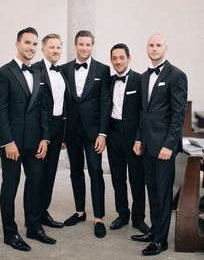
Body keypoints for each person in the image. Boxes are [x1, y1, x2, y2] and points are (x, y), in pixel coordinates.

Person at [0, 27, 56, 252]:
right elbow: (0, 112)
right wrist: (8, 142)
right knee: (10, 186)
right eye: (27, 43)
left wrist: (45, 139)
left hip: (35, 141)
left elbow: (44, 110)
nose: (32, 48)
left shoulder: (38, 74)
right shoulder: (2, 73)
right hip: (13, 143)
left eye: (35, 44)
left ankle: (34, 226)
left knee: (36, 184)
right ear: (17, 44)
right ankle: (10, 233)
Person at [131, 33, 188, 256]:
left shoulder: (176, 76)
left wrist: (169, 145)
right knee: (152, 191)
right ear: (147, 48)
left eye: (158, 45)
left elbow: (178, 115)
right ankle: (154, 230)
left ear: (166, 48)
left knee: (163, 194)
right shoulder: (144, 76)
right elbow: (142, 113)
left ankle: (160, 241)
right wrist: (138, 138)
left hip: (164, 147)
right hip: (146, 145)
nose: (154, 48)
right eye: (151, 45)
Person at [62, 30, 111, 238]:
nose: (84, 48)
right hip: (72, 132)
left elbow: (105, 103)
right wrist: (62, 134)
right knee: (75, 171)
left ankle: (98, 217)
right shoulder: (64, 69)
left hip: (93, 133)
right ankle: (80, 211)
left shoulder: (103, 69)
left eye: (88, 44)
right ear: (75, 45)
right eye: (81, 44)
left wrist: (102, 133)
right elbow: (62, 102)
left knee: (95, 171)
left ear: (92, 46)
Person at [24, 33, 70, 229]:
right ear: (43, 49)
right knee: (36, 177)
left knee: (50, 174)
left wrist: (63, 135)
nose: (56, 51)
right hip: (39, 130)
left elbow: (65, 104)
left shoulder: (62, 72)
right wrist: (43, 134)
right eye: (51, 47)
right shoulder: (34, 70)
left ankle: (43, 213)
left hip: (58, 127)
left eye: (58, 47)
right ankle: (31, 220)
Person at [107, 43, 149, 234]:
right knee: (117, 178)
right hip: (113, 134)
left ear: (129, 58)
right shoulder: (108, 81)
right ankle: (122, 214)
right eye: (114, 58)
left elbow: (143, 113)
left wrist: (139, 139)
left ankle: (138, 218)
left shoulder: (140, 81)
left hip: (134, 138)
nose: (118, 61)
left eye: (121, 58)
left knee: (137, 179)